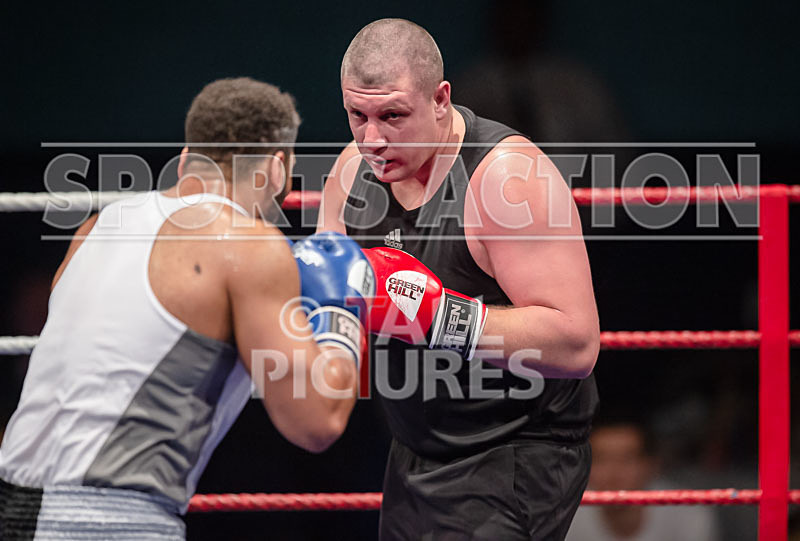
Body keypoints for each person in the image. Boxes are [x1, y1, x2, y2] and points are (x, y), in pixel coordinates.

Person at [0, 77, 373, 540]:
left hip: (11, 504)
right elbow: (317, 422)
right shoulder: (250, 246)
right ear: (277, 170)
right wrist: (342, 314)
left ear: (185, 160)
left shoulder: (98, 226)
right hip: (109, 520)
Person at [318, 19, 600, 540]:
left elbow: (577, 344)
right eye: (357, 115)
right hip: (413, 450)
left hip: (516, 451)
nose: (373, 139)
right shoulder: (348, 174)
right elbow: (332, 311)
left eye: (393, 116)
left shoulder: (506, 180)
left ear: (441, 98)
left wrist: (439, 316)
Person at [566, 419, 720, 541]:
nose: (613, 473)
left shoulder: (689, 517)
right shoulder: (565, 518)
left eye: (627, 459)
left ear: (652, 465)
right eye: (601, 459)